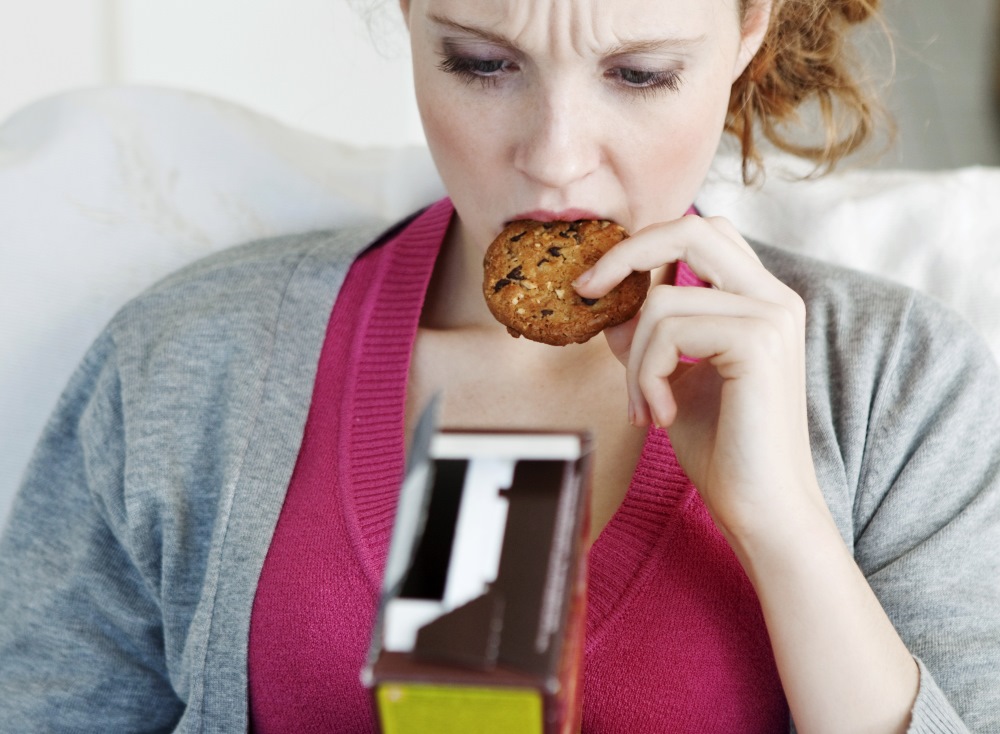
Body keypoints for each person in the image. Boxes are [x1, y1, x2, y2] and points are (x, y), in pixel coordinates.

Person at [1, 0, 998, 731]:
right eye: (479, 63)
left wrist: (785, 530)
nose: (557, 159)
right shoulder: (189, 359)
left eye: (640, 74)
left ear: (748, 31)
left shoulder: (901, 386)